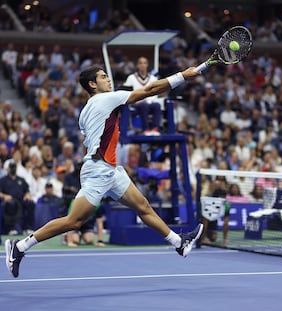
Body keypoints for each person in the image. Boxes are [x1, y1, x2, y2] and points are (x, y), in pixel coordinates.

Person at [5, 64, 203, 278]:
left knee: (143, 206)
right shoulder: (106, 99)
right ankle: (20, 247)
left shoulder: (85, 110)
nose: (108, 80)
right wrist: (182, 75)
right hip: (98, 171)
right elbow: (149, 90)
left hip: (109, 170)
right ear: (92, 84)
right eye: (103, 77)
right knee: (74, 221)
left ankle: (178, 242)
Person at [124, 56, 163, 135]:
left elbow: (155, 93)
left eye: (144, 63)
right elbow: (126, 92)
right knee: (143, 105)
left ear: (147, 65)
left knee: (157, 105)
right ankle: (146, 129)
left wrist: (149, 100)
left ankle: (155, 129)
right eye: (140, 63)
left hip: (150, 102)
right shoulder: (131, 77)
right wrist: (135, 100)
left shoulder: (153, 78)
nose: (142, 65)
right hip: (135, 103)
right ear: (137, 65)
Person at [0, 161, 36, 235]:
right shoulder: (3, 180)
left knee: (30, 203)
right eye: (11, 167)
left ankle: (28, 228)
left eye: (14, 167)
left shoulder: (21, 179)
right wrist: (5, 196)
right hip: (10, 201)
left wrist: (27, 195)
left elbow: (27, 190)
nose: (13, 169)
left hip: (21, 200)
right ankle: (12, 229)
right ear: (8, 169)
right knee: (11, 204)